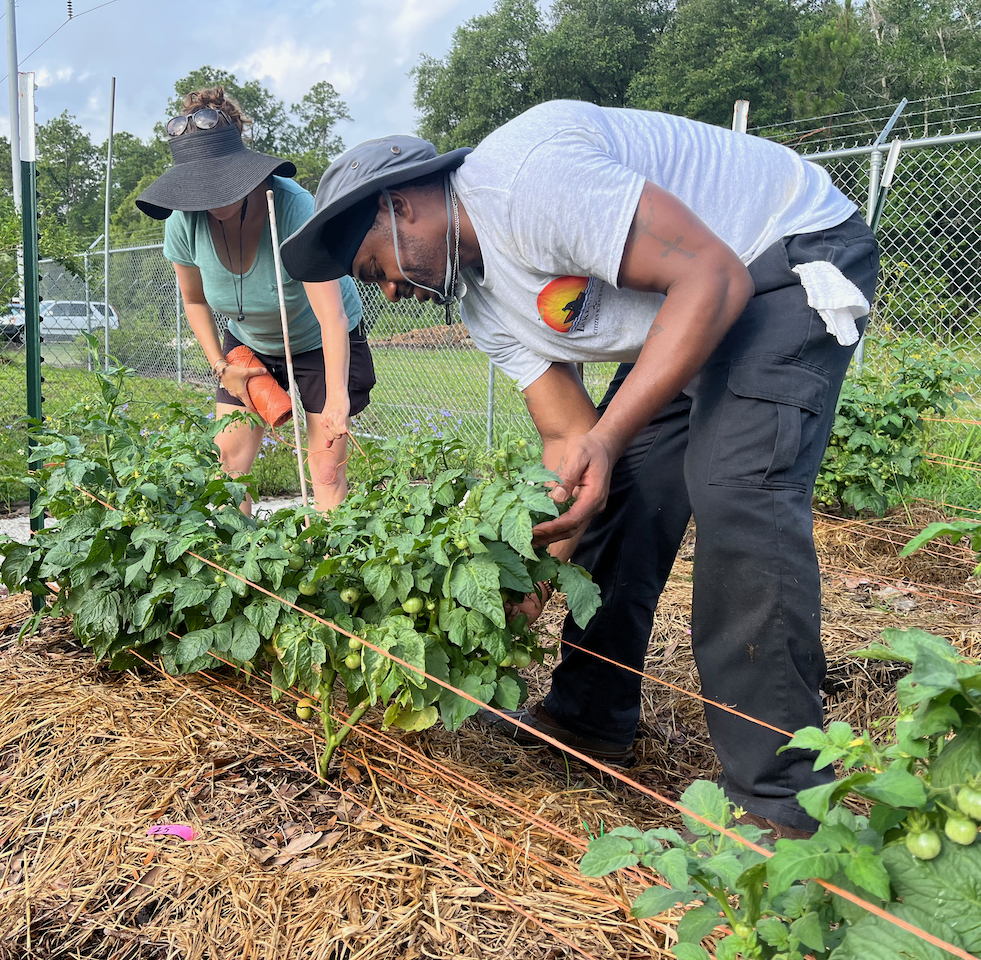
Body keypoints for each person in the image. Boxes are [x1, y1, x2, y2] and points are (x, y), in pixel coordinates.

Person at [279, 100, 879, 839]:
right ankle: (589, 718)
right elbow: (571, 439)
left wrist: (608, 439)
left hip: (780, 256)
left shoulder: (524, 185)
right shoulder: (482, 302)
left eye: (378, 269)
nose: (394, 292)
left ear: (401, 205)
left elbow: (714, 278)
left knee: (737, 492)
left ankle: (781, 807)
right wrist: (539, 565)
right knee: (622, 492)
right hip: (694, 307)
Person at [136, 88, 375, 512]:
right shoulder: (183, 222)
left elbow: (332, 315)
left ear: (243, 171)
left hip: (320, 339)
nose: (211, 199)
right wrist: (221, 366)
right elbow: (194, 302)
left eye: (222, 184)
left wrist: (338, 396)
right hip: (248, 343)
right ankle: (239, 570)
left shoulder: (291, 207)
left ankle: (328, 568)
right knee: (228, 464)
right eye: (200, 189)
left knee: (325, 472)